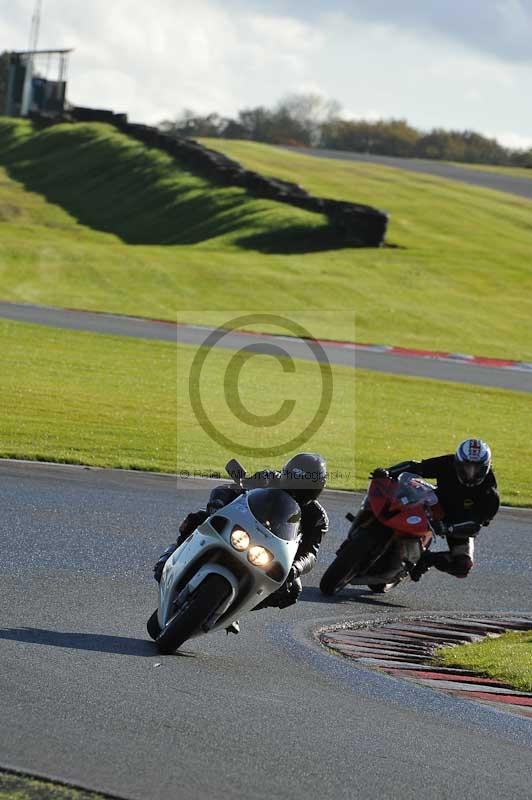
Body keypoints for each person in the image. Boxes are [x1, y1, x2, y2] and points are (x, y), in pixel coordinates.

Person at [153, 453, 329, 616]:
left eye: (302, 488)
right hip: (239, 530)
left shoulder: (317, 517)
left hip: (269, 553)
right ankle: (171, 556)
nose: (295, 491)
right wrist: (217, 503)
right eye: (292, 483)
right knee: (199, 518)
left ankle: (237, 609)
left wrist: (295, 568)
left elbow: (310, 554)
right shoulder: (268, 478)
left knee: (292, 590)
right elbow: (232, 488)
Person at [372, 438, 499, 581]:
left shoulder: (490, 494)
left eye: (477, 469)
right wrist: (387, 472)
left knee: (463, 566)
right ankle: (376, 523)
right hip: (435, 505)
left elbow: (475, 526)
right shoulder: (447, 463)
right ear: (457, 462)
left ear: (486, 467)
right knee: (399, 498)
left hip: (458, 526)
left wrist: (449, 528)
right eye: (466, 467)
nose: (470, 473)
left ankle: (427, 559)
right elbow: (417, 467)